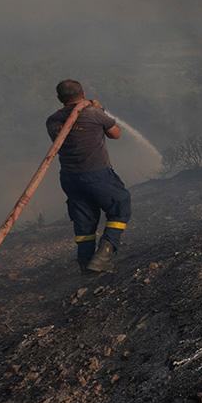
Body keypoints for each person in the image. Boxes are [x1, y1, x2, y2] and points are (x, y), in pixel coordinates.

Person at [46, 79, 131, 275]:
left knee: (84, 219)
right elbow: (116, 134)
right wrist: (101, 110)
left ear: (60, 99)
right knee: (121, 205)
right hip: (97, 174)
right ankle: (104, 255)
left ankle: (86, 264)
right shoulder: (94, 113)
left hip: (70, 178)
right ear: (83, 93)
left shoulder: (52, 121)